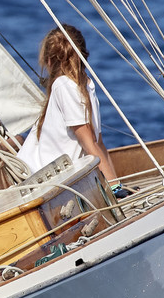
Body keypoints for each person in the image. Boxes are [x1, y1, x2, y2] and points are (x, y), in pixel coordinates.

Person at [13, 24, 122, 188]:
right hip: (37, 181)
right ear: (84, 55)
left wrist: (117, 186)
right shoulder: (68, 86)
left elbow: (95, 144)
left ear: (49, 61)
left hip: (52, 182)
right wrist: (115, 187)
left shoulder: (77, 86)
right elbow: (92, 144)